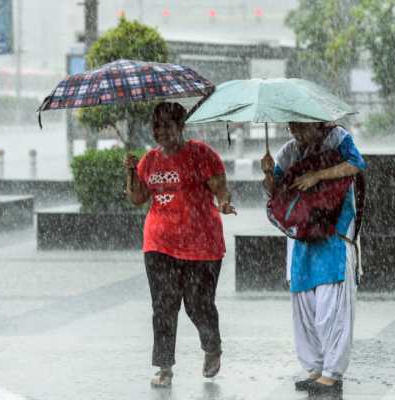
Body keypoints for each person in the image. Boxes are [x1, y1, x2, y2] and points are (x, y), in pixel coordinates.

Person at [125, 102, 237, 388]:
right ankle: (165, 367)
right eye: (157, 127)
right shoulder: (149, 160)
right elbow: (137, 198)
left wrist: (224, 203)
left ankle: (212, 347)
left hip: (202, 244)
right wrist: (130, 172)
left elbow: (220, 186)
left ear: (181, 126)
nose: (161, 132)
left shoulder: (201, 154)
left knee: (198, 305)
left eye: (167, 126)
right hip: (159, 244)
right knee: (163, 306)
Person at [261, 121, 367, 396]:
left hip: (335, 233)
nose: (297, 135)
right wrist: (268, 175)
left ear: (317, 123)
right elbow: (275, 192)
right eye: (292, 129)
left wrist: (318, 175)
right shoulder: (287, 152)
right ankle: (315, 368)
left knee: (332, 307)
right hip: (302, 237)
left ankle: (333, 372)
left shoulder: (338, 139)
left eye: (302, 128)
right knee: (305, 304)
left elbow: (356, 164)